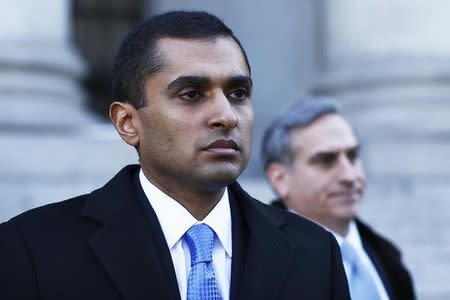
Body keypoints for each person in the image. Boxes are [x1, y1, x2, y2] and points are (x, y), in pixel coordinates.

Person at [0, 12, 350, 300]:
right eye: (191, 94)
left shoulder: (315, 253)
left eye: (238, 93)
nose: (226, 116)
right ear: (127, 123)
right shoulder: (32, 251)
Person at [262, 98, 417, 300]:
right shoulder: (260, 264)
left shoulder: (388, 260)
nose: (350, 176)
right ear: (280, 179)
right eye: (326, 161)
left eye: (352, 156)